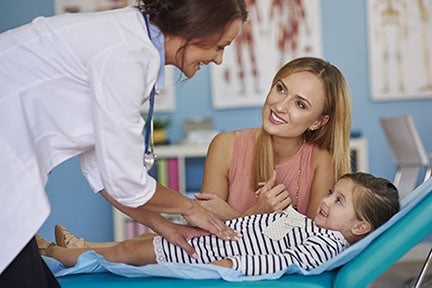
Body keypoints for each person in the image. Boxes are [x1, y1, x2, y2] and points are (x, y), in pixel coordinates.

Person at [0, 0, 247, 286]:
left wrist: (164, 226)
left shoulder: (130, 41)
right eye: (220, 46)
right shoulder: (127, 53)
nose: (218, 60)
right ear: (195, 28)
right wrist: (189, 208)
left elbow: (103, 170)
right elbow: (125, 180)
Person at [38, 172, 400, 276]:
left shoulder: (325, 245)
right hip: (212, 242)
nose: (325, 200)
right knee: (136, 247)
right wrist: (233, 221)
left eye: (339, 201)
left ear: (360, 227)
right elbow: (260, 229)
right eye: (332, 192)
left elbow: (281, 262)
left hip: (207, 256)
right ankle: (81, 246)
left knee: (128, 251)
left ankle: (55, 251)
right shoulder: (312, 227)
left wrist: (227, 266)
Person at [195, 57, 352, 221]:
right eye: (281, 89)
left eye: (300, 104)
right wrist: (256, 214)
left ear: (318, 122)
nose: (279, 106)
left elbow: (314, 241)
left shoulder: (322, 160)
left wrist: (240, 216)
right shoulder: (224, 146)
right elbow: (207, 235)